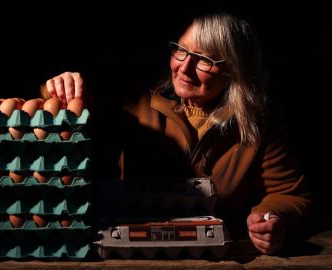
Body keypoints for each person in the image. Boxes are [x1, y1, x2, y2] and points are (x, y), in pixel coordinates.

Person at [42, 12, 311, 255]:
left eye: (204, 60)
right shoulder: (135, 104)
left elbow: (289, 193)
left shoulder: (259, 121)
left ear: (233, 70)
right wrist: (60, 88)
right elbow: (73, 106)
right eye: (181, 50)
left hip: (219, 258)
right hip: (134, 255)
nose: (184, 67)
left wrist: (270, 217)